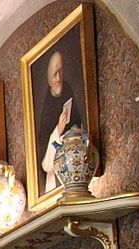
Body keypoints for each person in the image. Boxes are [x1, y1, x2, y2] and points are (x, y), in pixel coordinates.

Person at [36, 49, 83, 193]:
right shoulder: (48, 106)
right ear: (49, 78)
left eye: (61, 72)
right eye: (55, 74)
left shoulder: (68, 91)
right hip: (55, 174)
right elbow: (45, 156)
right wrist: (59, 129)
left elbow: (78, 123)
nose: (58, 78)